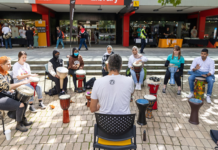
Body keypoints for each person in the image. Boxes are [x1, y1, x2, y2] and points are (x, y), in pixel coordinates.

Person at [0, 56, 33, 132]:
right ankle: (19, 124)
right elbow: (7, 86)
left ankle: (22, 118)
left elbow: (8, 87)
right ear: (1, 65)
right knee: (20, 105)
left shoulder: (6, 74)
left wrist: (12, 90)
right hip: (0, 97)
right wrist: (23, 82)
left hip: (6, 94)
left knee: (25, 99)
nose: (10, 66)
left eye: (10, 64)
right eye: (8, 64)